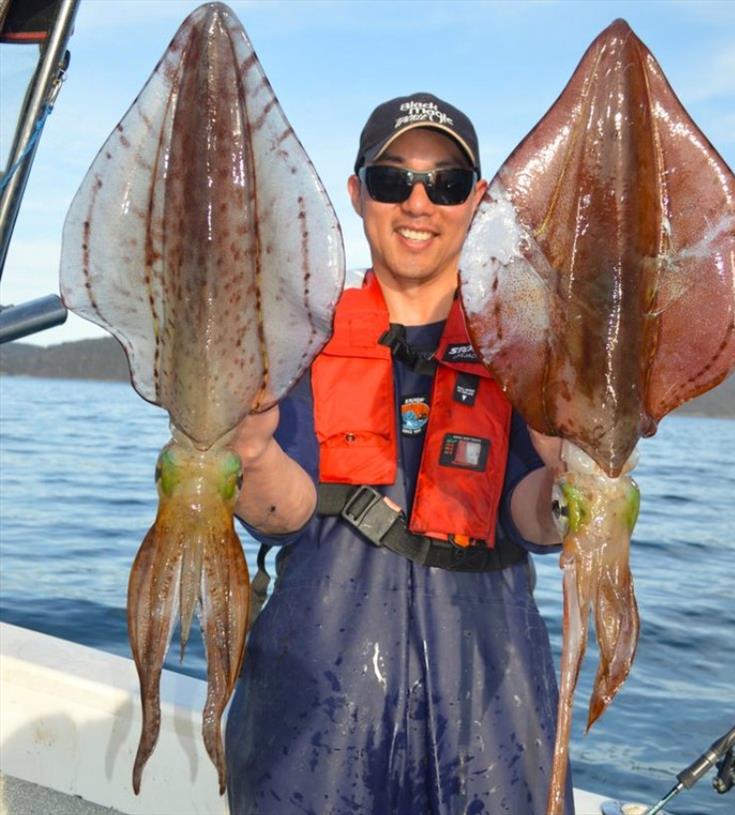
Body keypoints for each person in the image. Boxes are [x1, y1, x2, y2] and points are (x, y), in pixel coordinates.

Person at [225, 92, 574, 815]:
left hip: (492, 714)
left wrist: (574, 475)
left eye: (445, 184)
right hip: (318, 712)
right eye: (393, 180)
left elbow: (536, 520)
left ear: (475, 200)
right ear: (357, 193)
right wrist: (250, 447)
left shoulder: (521, 352)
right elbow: (279, 513)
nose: (419, 203)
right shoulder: (304, 341)